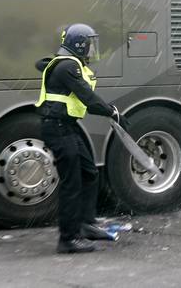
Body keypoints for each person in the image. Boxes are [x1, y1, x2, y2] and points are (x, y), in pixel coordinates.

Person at [35, 24, 119, 254]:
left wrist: (108, 110)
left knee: (89, 172)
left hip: (67, 126)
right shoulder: (67, 67)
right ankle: (68, 238)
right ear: (79, 44)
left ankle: (85, 224)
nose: (92, 50)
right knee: (71, 182)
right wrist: (111, 111)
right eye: (90, 44)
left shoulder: (69, 65)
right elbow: (87, 97)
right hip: (58, 128)